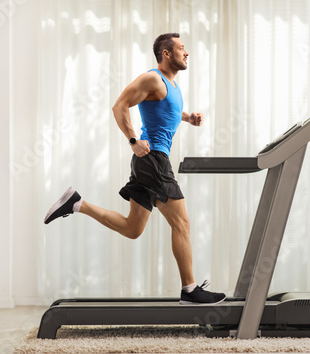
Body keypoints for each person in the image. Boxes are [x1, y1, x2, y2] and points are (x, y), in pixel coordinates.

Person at [44, 33, 226, 305]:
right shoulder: (153, 78)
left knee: (132, 229)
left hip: (149, 162)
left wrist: (189, 117)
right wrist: (132, 140)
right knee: (182, 223)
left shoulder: (172, 86)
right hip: (153, 159)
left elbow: (169, 111)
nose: (186, 53)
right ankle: (190, 290)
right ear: (166, 54)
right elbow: (119, 105)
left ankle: (77, 204)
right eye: (181, 48)